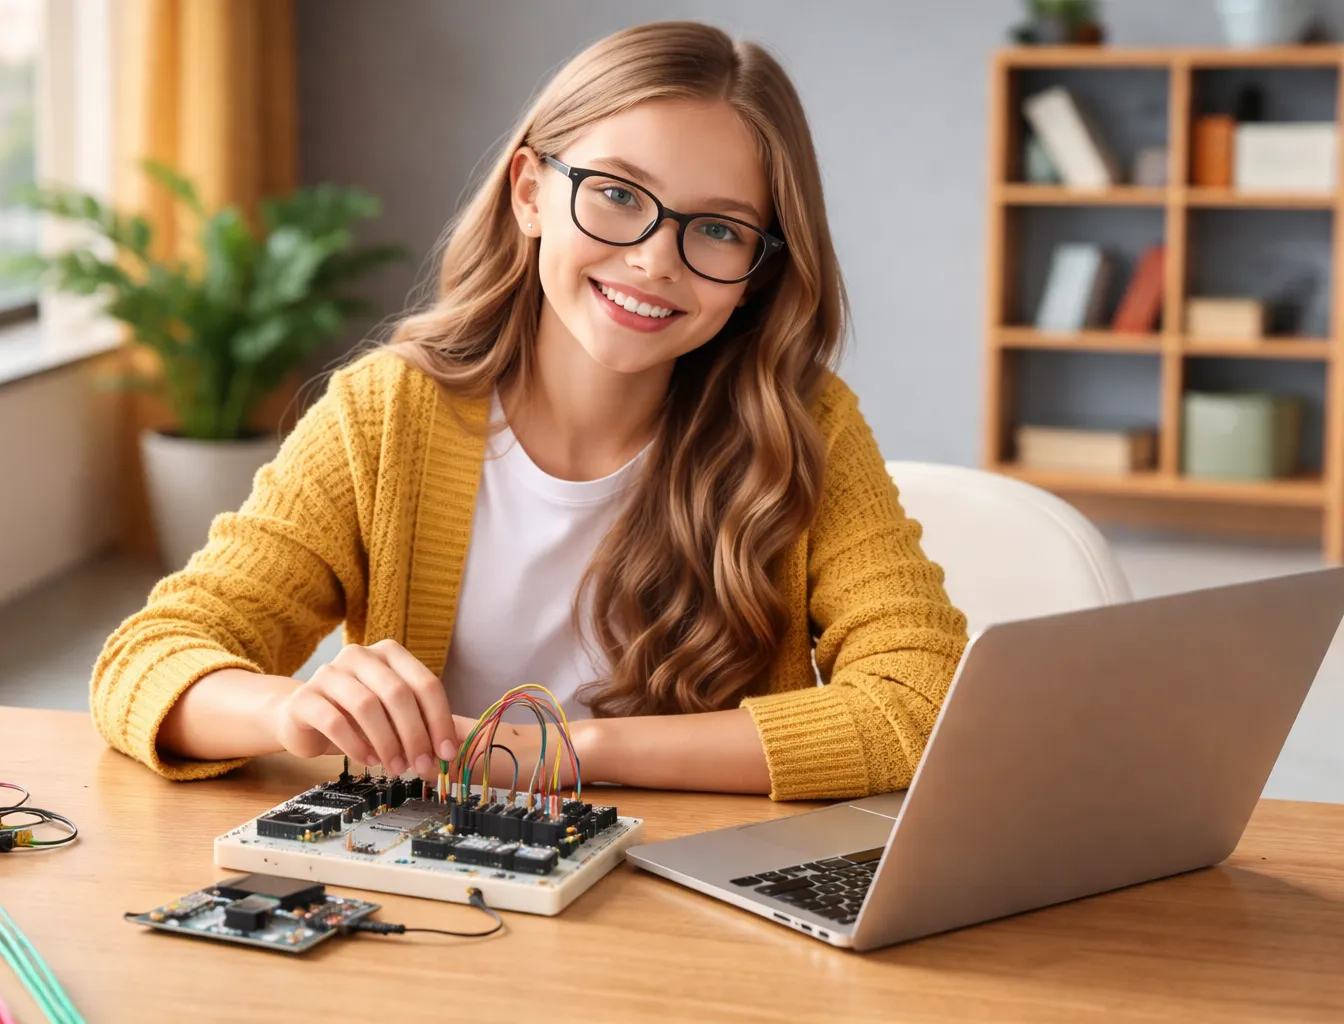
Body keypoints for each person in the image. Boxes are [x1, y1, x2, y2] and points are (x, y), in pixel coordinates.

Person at [90, 20, 969, 802]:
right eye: (619, 195)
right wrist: (296, 711)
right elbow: (149, 658)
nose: (656, 261)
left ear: (759, 272)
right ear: (530, 193)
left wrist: (566, 752)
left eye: (718, 228)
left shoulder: (805, 424)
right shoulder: (387, 415)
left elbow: (920, 702)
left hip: (703, 910)